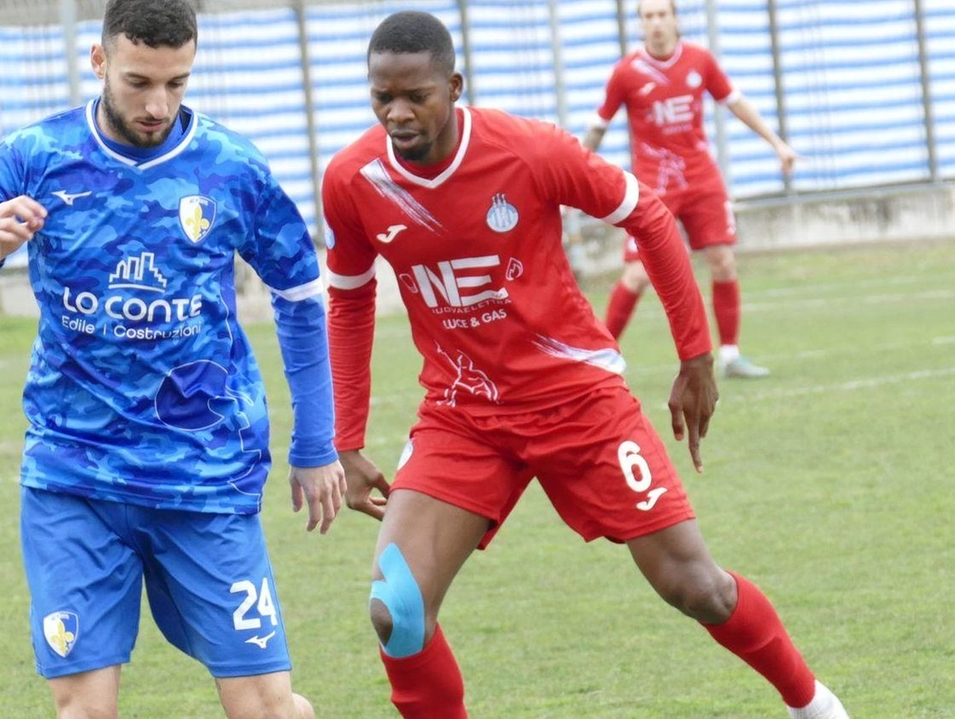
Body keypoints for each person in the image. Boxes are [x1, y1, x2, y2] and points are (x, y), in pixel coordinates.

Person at [322, 10, 847, 719]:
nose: (398, 112)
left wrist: (695, 354)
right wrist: (346, 437)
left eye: (416, 94)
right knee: (398, 608)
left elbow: (650, 216)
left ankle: (813, 704)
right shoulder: (353, 179)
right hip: (463, 415)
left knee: (697, 586)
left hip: (578, 401)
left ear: (455, 85)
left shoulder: (530, 152)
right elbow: (349, 302)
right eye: (381, 96)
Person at [0, 1, 345, 717]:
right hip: (75, 475)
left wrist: (317, 442)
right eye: (140, 81)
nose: (158, 104)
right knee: (84, 708)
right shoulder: (36, 157)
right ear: (100, 61)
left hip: (204, 475)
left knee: (265, 707)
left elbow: (299, 294)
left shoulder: (231, 167)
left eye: (177, 83)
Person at [582, 0, 796, 379]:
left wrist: (777, 143)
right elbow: (600, 124)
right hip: (653, 187)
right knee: (637, 274)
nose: (657, 23)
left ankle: (730, 354)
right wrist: (575, 169)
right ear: (641, 24)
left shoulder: (700, 60)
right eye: (648, 17)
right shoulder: (626, 73)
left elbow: (736, 102)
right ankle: (598, 359)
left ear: (676, 19)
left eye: (663, 15)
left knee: (724, 261)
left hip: (701, 179)